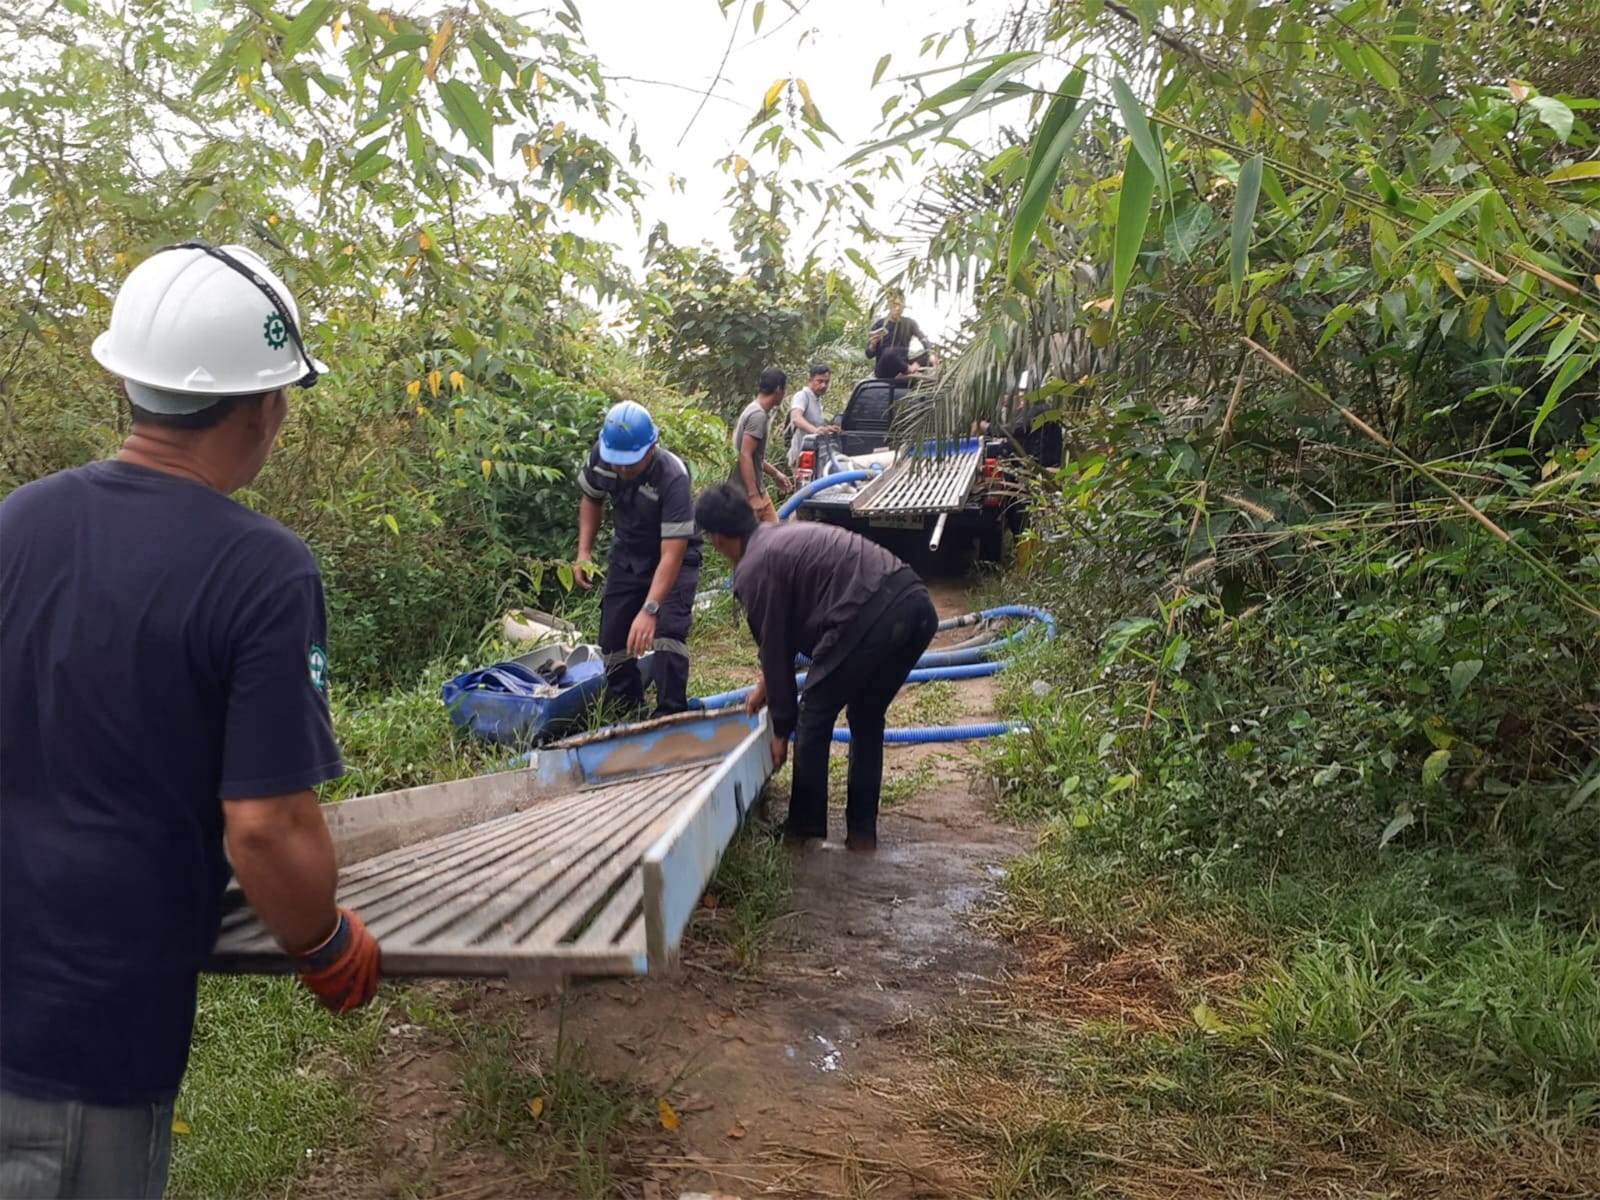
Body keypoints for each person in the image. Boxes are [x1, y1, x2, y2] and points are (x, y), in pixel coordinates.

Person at [0, 240, 381, 1199]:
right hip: (82, 1047)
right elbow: (265, 825)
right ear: (264, 408)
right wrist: (326, 943)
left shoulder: (18, 523)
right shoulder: (262, 569)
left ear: (131, 383)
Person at [693, 483, 939, 852]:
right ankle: (861, 835)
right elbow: (782, 635)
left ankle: (805, 831)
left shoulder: (753, 567)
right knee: (866, 718)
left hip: (870, 612)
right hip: (916, 604)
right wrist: (766, 683)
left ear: (715, 538)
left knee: (815, 715)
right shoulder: (777, 537)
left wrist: (781, 730)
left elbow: (776, 650)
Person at [575, 401, 702, 717]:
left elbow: (671, 554)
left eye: (630, 464)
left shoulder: (673, 476)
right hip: (628, 554)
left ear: (652, 448)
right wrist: (583, 551)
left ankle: (670, 715)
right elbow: (591, 499)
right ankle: (627, 708)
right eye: (616, 462)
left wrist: (650, 609)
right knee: (613, 637)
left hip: (675, 557)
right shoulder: (603, 456)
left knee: (668, 635)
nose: (621, 469)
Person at [728, 367, 792, 523]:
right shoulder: (758, 415)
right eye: (784, 389)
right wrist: (753, 496)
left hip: (752, 491)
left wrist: (776, 474)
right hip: (747, 493)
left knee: (771, 539)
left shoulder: (754, 409)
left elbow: (753, 455)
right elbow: (745, 454)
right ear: (778, 389)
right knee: (768, 542)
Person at [865, 291, 936, 369]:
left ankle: (907, 370)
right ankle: (908, 370)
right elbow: (869, 355)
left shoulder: (909, 323)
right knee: (889, 353)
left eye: (901, 305)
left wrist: (931, 354)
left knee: (930, 357)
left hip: (903, 363)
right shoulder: (879, 324)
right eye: (895, 305)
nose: (898, 308)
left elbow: (923, 338)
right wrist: (872, 346)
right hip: (885, 366)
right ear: (889, 306)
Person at [786, 363, 839, 469]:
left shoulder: (817, 399)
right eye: (819, 381)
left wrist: (827, 429)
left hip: (812, 456)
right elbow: (796, 418)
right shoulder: (802, 396)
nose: (823, 385)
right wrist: (815, 430)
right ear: (810, 380)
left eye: (826, 382)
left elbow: (814, 424)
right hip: (801, 457)